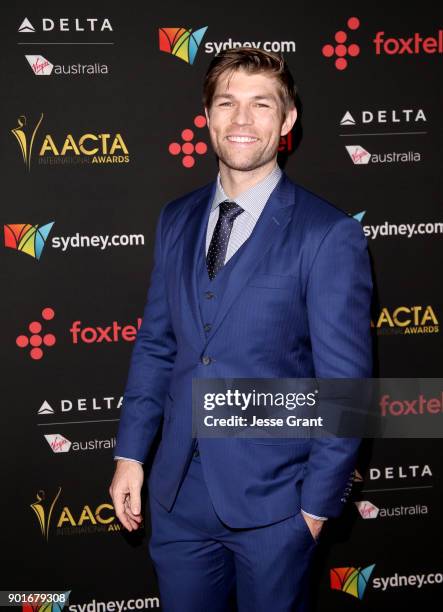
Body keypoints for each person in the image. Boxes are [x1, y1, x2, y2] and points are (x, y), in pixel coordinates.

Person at [109, 47, 372, 612]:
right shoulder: (175, 218)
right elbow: (157, 346)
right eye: (228, 103)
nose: (243, 120)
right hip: (177, 497)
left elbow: (346, 391)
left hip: (278, 507)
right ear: (206, 116)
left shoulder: (327, 235)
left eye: (262, 104)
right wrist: (131, 455)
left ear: (288, 120)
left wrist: (313, 512)